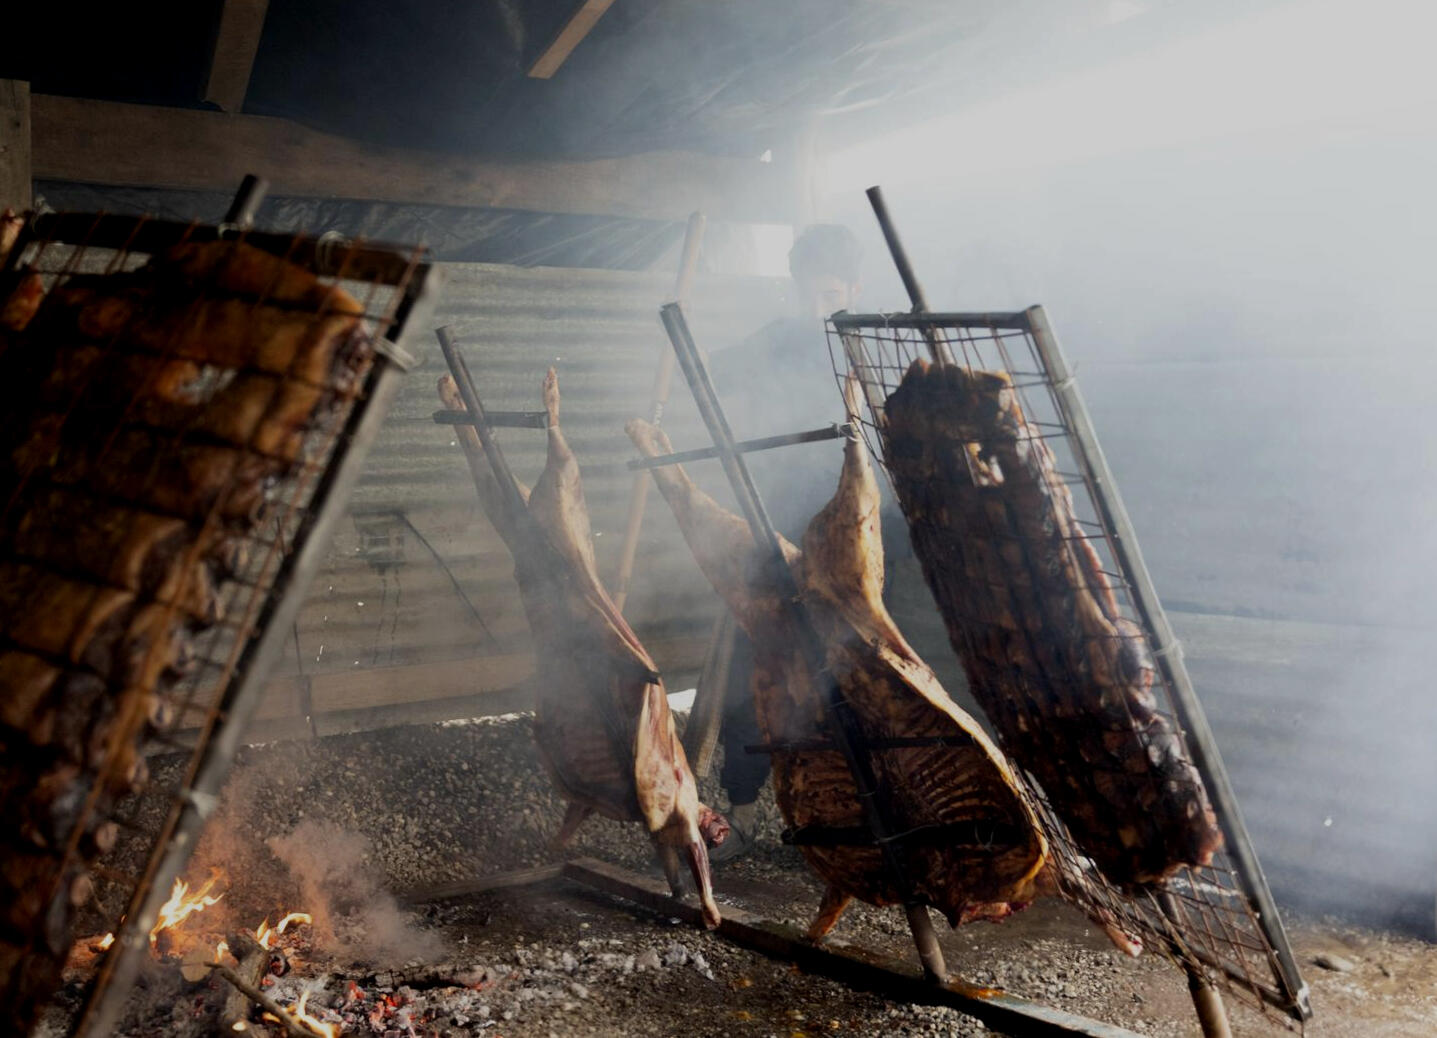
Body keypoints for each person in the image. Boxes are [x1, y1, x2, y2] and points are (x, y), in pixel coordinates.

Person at [702, 224, 863, 863]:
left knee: (846, 674)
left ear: (853, 289)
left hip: (848, 534)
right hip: (775, 525)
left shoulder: (863, 345)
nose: (815, 306)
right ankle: (741, 813)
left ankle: (849, 820)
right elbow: (712, 375)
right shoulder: (773, 342)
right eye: (806, 292)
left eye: (829, 294)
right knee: (758, 665)